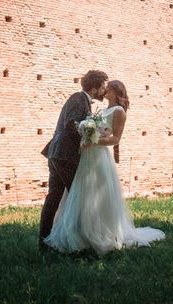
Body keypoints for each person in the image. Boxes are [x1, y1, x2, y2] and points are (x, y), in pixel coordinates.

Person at [44, 80, 165, 256]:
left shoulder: (119, 112)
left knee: (96, 196)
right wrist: (87, 136)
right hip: (86, 156)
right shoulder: (101, 110)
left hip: (99, 156)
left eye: (107, 89)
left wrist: (93, 141)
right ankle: (81, 232)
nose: (104, 91)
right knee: (83, 194)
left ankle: (101, 233)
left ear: (115, 92)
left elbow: (115, 139)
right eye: (104, 88)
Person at [38, 70, 108, 250]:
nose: (104, 92)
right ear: (94, 87)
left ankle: (46, 242)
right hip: (64, 156)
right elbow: (72, 124)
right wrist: (87, 140)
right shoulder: (78, 98)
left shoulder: (83, 100)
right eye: (103, 88)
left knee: (54, 198)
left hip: (58, 154)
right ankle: (78, 242)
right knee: (79, 198)